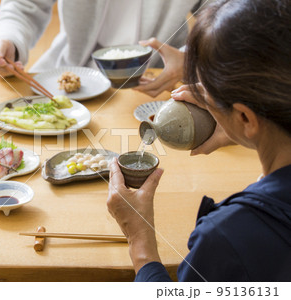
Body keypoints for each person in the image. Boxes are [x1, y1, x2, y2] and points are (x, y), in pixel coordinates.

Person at [107, 0, 291, 281]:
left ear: (245, 117)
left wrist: (139, 238)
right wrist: (244, 132)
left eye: (209, 92)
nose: (200, 95)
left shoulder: (228, 236)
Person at [0, 0, 204, 97]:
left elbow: (228, 18)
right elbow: (24, 5)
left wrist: (190, 60)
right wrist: (7, 41)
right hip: (70, 71)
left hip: (162, 80)